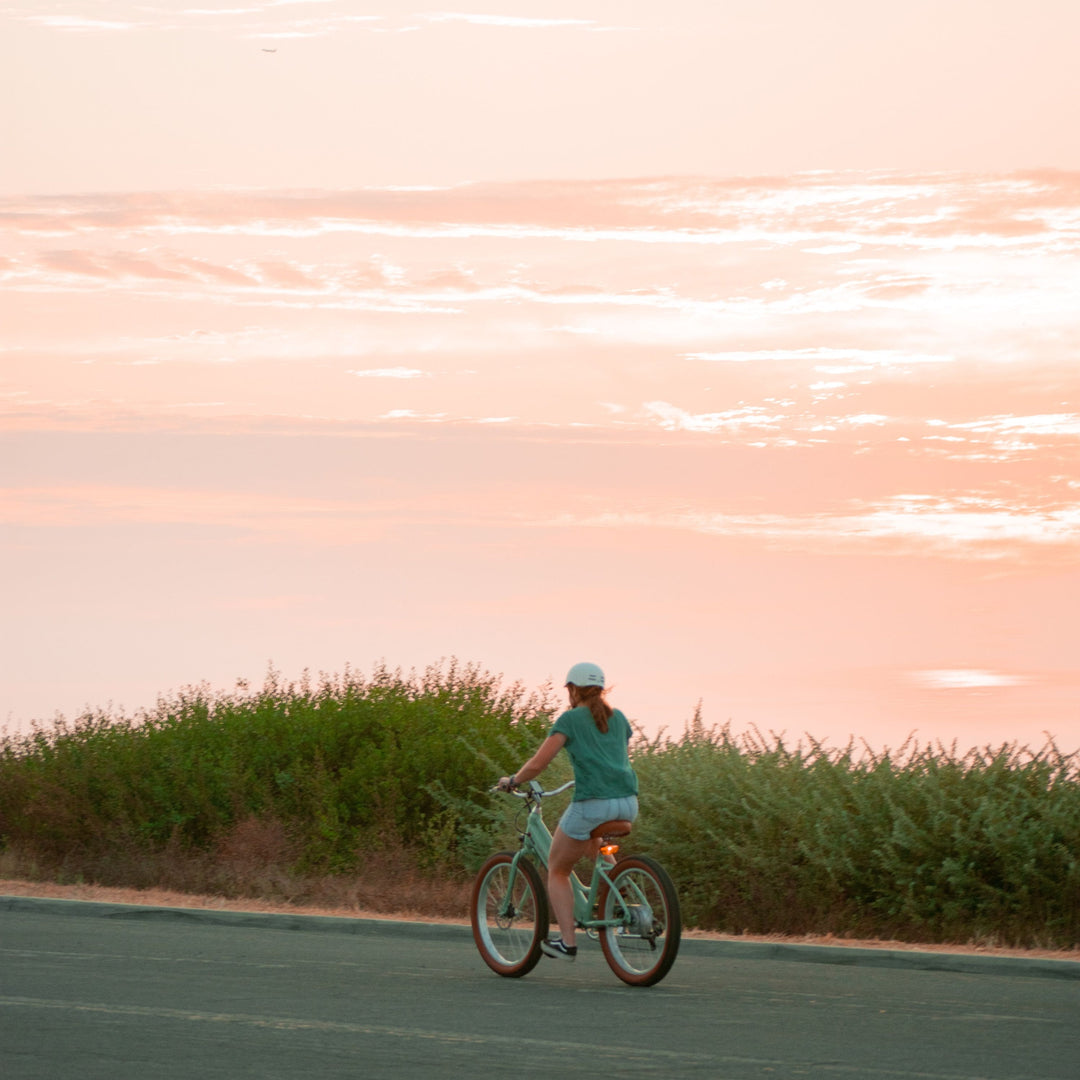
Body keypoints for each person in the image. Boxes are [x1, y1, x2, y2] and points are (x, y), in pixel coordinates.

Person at [497, 661, 638, 961]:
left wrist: (513, 781)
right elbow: (619, 759)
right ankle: (617, 887)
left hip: (592, 802)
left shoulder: (570, 719)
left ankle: (567, 942)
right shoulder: (620, 718)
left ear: (573, 690)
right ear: (601, 689)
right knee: (590, 842)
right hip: (628, 802)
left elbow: (538, 764)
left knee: (557, 868)